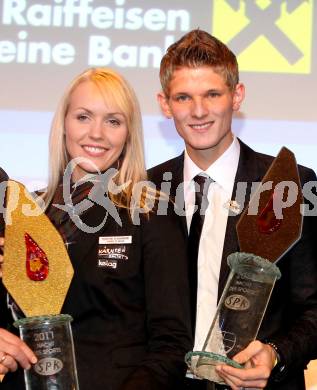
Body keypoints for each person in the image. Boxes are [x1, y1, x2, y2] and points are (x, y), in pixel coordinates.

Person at [0, 68, 192, 389]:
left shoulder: (151, 214)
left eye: (113, 121)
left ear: (128, 133)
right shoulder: (25, 213)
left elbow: (171, 342)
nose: (97, 133)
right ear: (64, 124)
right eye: (83, 117)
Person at [148, 29, 317, 390]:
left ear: (236, 96)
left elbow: (313, 308)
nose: (198, 111)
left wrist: (276, 353)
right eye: (183, 97)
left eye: (212, 94)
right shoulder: (145, 191)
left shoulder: (286, 184)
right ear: (165, 104)